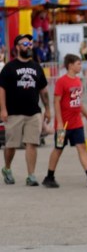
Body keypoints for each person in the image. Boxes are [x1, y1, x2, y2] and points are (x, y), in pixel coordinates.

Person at [41, 54, 87, 188]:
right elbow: (56, 102)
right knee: (58, 149)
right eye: (78, 64)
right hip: (63, 125)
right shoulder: (62, 82)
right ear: (70, 65)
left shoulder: (77, 81)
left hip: (76, 123)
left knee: (81, 147)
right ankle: (49, 176)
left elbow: (78, 102)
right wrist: (58, 122)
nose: (80, 66)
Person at [0, 34, 50, 187]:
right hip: (14, 112)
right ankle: (7, 168)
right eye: (25, 43)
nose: (29, 46)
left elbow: (43, 90)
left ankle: (31, 175)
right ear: (17, 47)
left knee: (32, 143)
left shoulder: (36, 67)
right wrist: (3, 109)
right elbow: (1, 89)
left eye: (30, 43)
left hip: (33, 112)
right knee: (11, 145)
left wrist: (47, 109)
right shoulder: (9, 67)